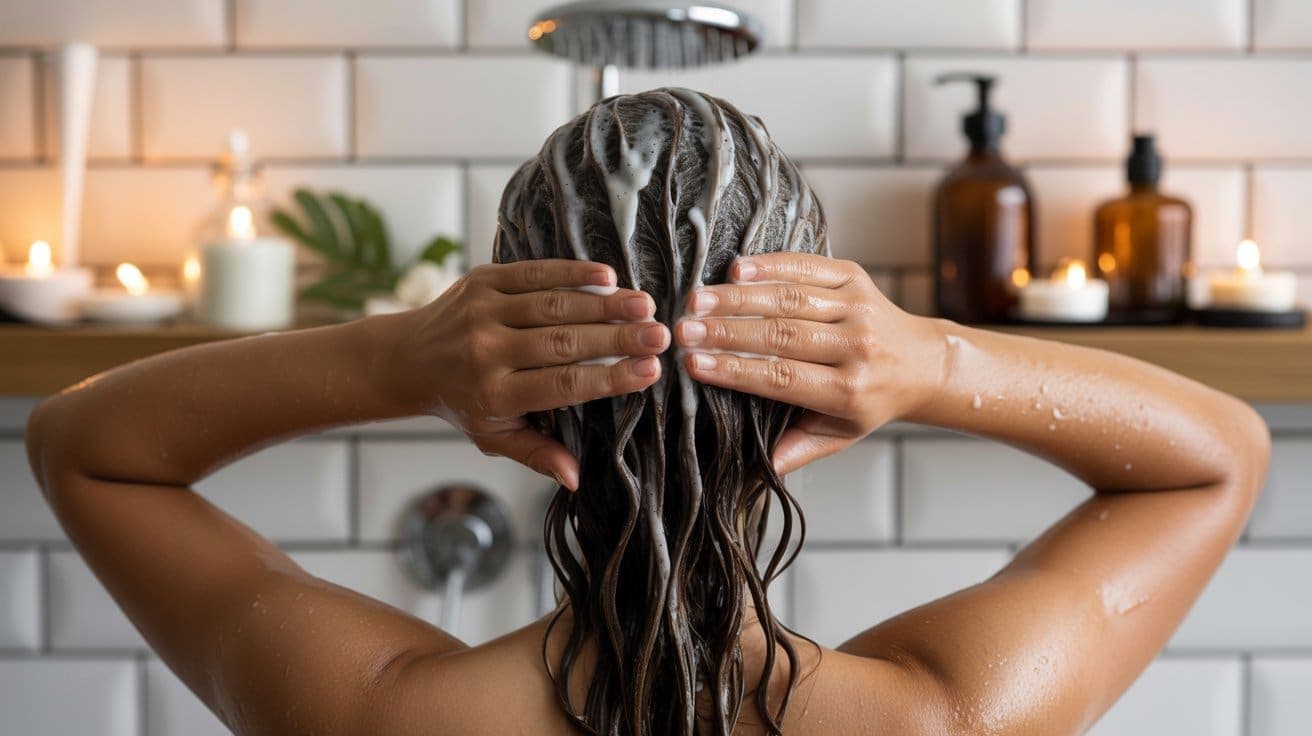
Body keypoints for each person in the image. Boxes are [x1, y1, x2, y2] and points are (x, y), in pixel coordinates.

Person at [25, 89, 1268, 736]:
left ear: (519, 397)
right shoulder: (942, 714)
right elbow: (1216, 458)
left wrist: (403, 358)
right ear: (803, 399)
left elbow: (88, 448)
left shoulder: (380, 715)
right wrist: (929, 358)